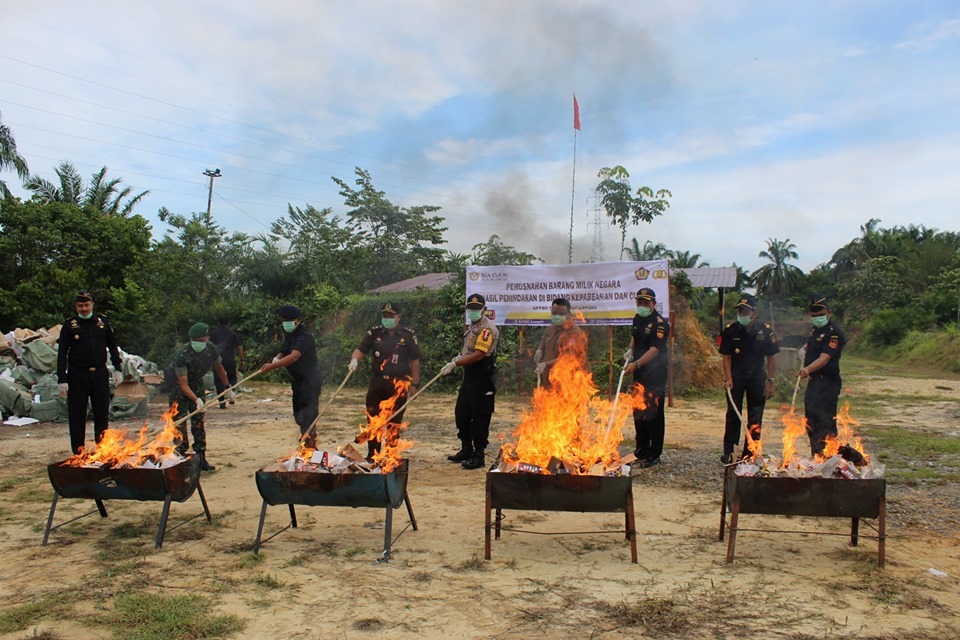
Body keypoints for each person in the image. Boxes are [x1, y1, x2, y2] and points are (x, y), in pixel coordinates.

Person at [349, 302, 421, 457]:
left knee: (394, 423)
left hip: (398, 384)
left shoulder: (407, 336)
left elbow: (415, 360)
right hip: (377, 383)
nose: (387, 318)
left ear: (398, 317)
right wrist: (354, 360)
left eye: (390, 315)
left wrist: (415, 384)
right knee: (373, 420)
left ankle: (390, 456)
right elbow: (360, 350)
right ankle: (373, 455)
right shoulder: (374, 333)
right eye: (384, 315)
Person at [56, 290, 123, 454]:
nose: (84, 309)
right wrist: (62, 379)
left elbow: (112, 346)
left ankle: (102, 450)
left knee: (101, 413)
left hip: (99, 373)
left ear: (92, 304)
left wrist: (118, 368)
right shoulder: (69, 325)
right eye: (80, 306)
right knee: (77, 414)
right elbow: (62, 353)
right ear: (76, 306)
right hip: (77, 375)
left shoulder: (102, 322)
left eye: (87, 305)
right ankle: (78, 453)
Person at [440, 294, 499, 470]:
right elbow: (468, 350)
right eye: (470, 308)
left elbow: (479, 354)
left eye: (477, 308)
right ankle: (466, 448)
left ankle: (479, 455)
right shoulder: (472, 327)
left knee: (480, 416)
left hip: (482, 376)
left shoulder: (487, 329)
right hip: (469, 376)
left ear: (484, 309)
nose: (473, 311)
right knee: (462, 413)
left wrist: (456, 364)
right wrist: (458, 357)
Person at [719, 293, 779, 463]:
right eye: (740, 311)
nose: (742, 314)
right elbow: (726, 357)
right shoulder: (730, 331)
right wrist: (728, 379)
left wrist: (770, 382)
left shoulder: (765, 331)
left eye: (745, 311)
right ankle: (730, 451)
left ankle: (750, 452)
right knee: (733, 414)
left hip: (757, 377)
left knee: (755, 416)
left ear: (754, 313)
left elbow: (771, 358)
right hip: (736, 377)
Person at [168, 322, 233, 471]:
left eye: (201, 340)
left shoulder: (210, 348)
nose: (198, 343)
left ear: (207, 338)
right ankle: (180, 458)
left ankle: (201, 458)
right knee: (179, 423)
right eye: (195, 341)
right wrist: (196, 399)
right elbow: (183, 385)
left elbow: (219, 367)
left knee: (198, 422)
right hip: (178, 389)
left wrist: (227, 388)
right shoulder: (182, 355)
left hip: (197, 385)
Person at [259, 305, 323, 448]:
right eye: (284, 320)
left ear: (297, 320)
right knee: (298, 414)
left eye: (288, 320)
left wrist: (273, 366)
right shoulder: (290, 335)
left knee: (309, 415)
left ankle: (309, 446)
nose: (285, 323)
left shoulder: (304, 336)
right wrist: (277, 358)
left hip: (310, 381)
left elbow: (294, 356)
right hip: (297, 381)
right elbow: (284, 351)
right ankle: (306, 440)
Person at [623, 287, 670, 469]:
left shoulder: (660, 324)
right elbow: (635, 337)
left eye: (645, 302)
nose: (642, 304)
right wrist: (630, 350)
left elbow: (654, 349)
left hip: (655, 373)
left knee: (654, 412)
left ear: (653, 303)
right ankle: (641, 449)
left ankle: (654, 453)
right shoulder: (638, 318)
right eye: (639, 301)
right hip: (639, 372)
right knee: (638, 410)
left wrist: (637, 363)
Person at [799, 294, 846, 456]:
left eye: (820, 315)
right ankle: (817, 455)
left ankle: (830, 456)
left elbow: (824, 358)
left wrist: (807, 369)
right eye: (814, 315)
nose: (817, 318)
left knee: (825, 421)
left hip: (828, 383)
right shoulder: (815, 330)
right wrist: (804, 349)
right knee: (811, 420)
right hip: (814, 383)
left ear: (829, 313)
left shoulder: (834, 334)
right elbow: (811, 345)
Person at [534, 297, 586, 388]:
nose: (557, 316)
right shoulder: (550, 329)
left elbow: (567, 358)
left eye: (561, 314)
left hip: (567, 383)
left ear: (568, 314)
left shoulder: (574, 333)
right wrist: (539, 350)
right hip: (548, 381)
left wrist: (545, 364)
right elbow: (543, 342)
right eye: (554, 313)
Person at [209, 317, 245, 409]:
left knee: (218, 380)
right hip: (229, 360)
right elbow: (239, 347)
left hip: (217, 360)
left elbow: (208, 347)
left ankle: (221, 402)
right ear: (228, 323)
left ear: (218, 323)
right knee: (232, 377)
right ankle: (231, 396)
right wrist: (242, 359)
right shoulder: (232, 333)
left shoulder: (212, 334)